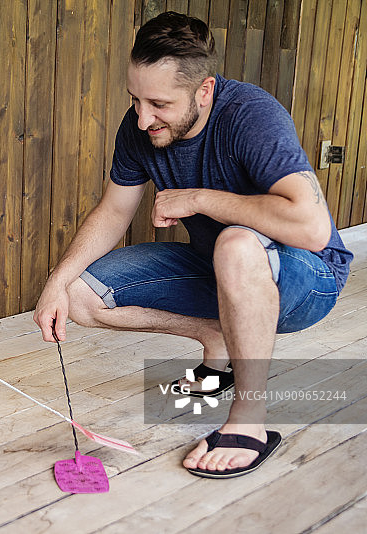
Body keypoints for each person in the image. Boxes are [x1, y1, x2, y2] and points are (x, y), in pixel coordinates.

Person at [33, 11, 352, 479]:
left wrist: (200, 199)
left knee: (237, 243)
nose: (143, 118)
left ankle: (250, 423)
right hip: (220, 268)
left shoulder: (251, 115)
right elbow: (113, 212)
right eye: (135, 100)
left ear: (203, 91)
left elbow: (311, 228)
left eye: (159, 103)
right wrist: (55, 283)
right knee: (81, 294)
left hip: (307, 279)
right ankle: (214, 335)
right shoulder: (139, 126)